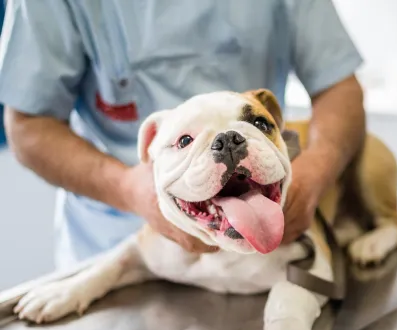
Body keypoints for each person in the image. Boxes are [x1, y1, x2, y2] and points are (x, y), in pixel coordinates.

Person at [0, 0, 366, 269]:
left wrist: (316, 170)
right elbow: (28, 125)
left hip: (264, 237)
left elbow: (338, 85)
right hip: (115, 245)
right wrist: (129, 189)